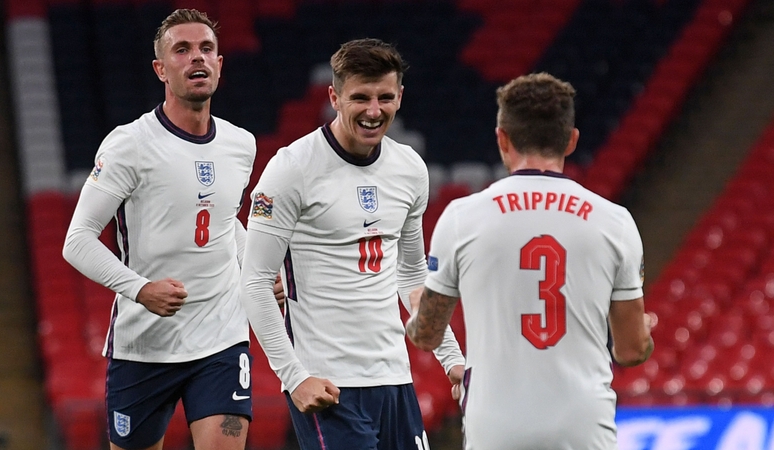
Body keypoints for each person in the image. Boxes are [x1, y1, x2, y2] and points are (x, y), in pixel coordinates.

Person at [406, 72, 654, 450]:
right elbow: (632, 351)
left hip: (496, 428)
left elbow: (427, 335)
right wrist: (644, 330)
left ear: (502, 138)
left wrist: (417, 308)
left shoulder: (462, 217)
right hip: (583, 427)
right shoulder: (614, 221)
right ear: (571, 140)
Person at [240, 38, 465, 450]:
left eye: (385, 97)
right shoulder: (292, 168)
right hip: (329, 385)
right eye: (360, 97)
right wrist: (294, 378)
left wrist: (451, 358)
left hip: (395, 378)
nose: (374, 111)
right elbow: (254, 282)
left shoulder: (410, 168)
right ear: (335, 97)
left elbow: (412, 274)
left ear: (400, 96)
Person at [62, 9, 265, 450]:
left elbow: (226, 222)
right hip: (145, 347)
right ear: (161, 69)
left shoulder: (240, 144)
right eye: (183, 49)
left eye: (207, 49)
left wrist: (257, 272)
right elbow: (76, 241)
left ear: (220, 63)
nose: (198, 58)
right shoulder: (129, 144)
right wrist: (141, 290)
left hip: (222, 339)